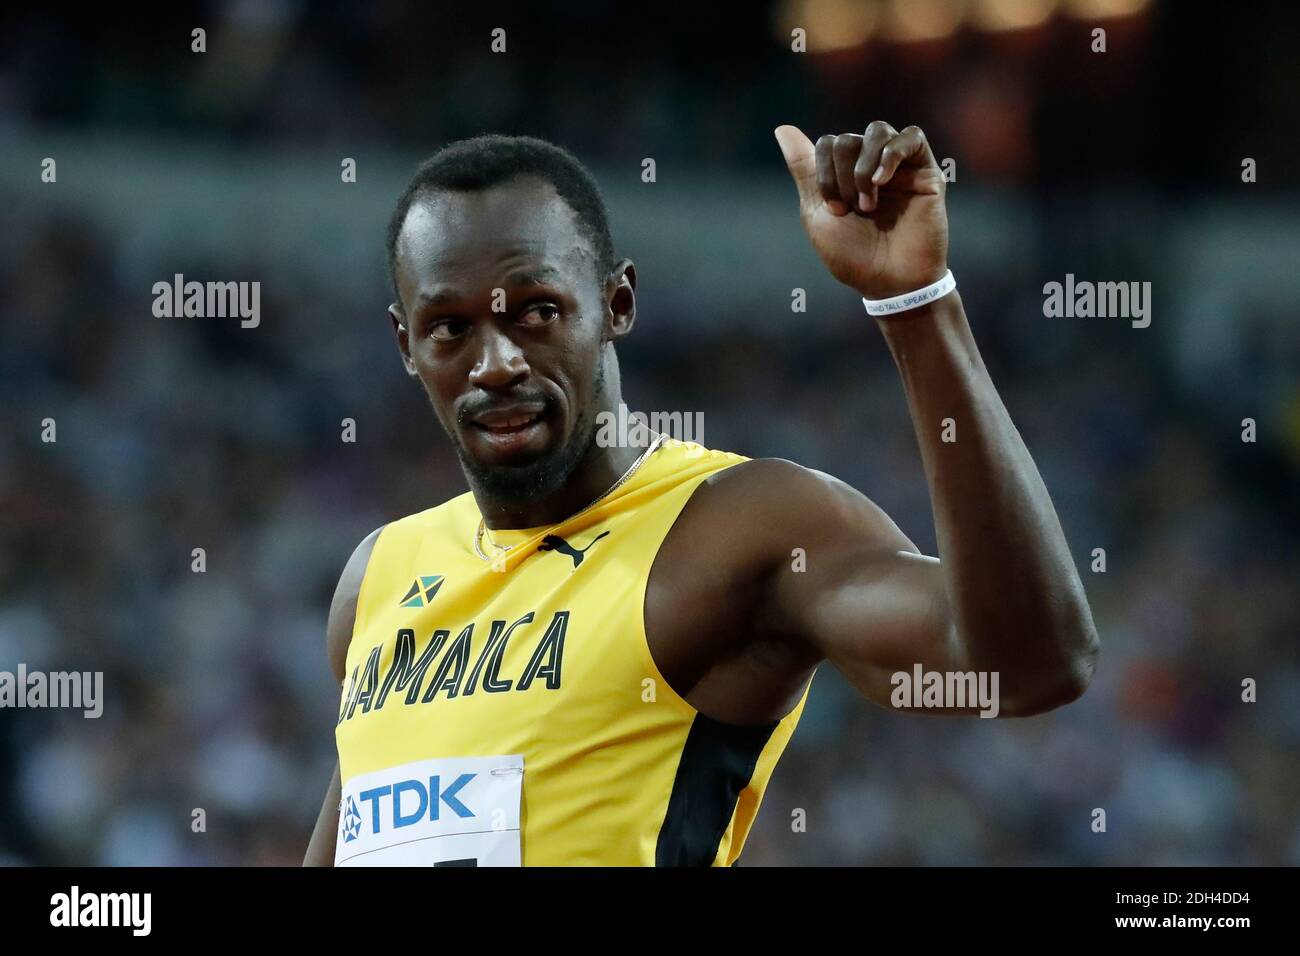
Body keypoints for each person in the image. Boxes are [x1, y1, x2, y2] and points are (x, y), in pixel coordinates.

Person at [303, 122, 1099, 867]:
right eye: (450, 327)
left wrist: (916, 302)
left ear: (616, 304)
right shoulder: (378, 577)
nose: (497, 361)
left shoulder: (738, 524)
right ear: (406, 344)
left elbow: (1028, 666)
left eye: (540, 310)